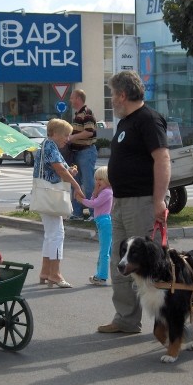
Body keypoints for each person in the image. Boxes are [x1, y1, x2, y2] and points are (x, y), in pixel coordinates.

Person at [97, 70, 170, 334]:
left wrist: (159, 200)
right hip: (122, 203)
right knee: (120, 264)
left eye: (112, 94)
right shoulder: (125, 123)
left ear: (123, 94)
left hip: (142, 202)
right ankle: (126, 320)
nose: (111, 100)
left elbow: (162, 159)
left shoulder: (148, 120)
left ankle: (164, 322)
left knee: (152, 266)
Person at [34, 118, 83, 288]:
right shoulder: (50, 145)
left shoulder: (47, 145)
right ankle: (54, 274)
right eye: (65, 135)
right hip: (51, 195)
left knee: (51, 234)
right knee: (57, 234)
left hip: (46, 193)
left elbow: (57, 169)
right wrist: (76, 186)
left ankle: (46, 271)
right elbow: (59, 169)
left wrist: (69, 172)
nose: (67, 138)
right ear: (54, 133)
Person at [75, 166, 113, 286]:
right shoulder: (102, 192)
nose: (97, 182)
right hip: (102, 222)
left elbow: (94, 204)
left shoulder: (107, 192)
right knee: (109, 250)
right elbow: (94, 199)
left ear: (107, 180)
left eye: (100, 179)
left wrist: (81, 200)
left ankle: (101, 276)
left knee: (104, 251)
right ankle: (111, 274)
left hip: (105, 222)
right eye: (96, 179)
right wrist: (95, 191)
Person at [67, 89, 98, 220]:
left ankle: (94, 213)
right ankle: (77, 213)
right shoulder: (77, 114)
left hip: (86, 151)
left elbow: (89, 131)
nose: (70, 100)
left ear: (78, 98)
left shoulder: (87, 112)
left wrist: (71, 138)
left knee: (88, 183)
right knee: (76, 183)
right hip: (78, 152)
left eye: (72, 98)